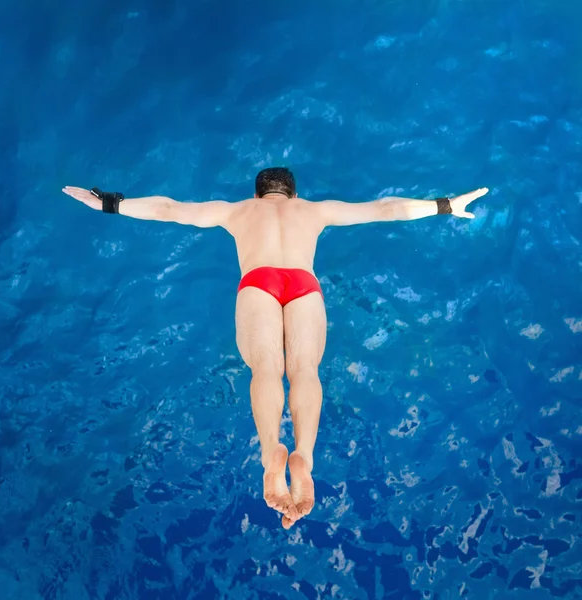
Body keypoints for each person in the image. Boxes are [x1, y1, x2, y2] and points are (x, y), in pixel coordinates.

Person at [63, 168, 488, 529]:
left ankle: (272, 454)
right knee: (305, 371)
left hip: (258, 281)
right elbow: (385, 208)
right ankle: (303, 454)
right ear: (293, 193)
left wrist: (109, 203)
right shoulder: (313, 210)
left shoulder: (237, 211)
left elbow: (168, 209)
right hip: (304, 284)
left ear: (257, 193)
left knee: (265, 370)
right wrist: (446, 205)